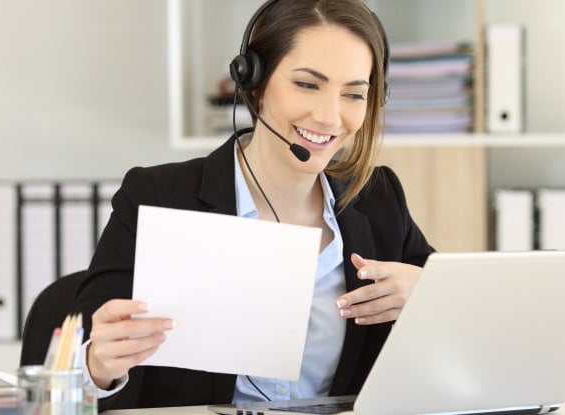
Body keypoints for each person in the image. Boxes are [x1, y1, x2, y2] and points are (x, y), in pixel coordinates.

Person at [71, 0, 434, 411]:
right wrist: (99, 365)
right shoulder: (157, 195)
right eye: (307, 84)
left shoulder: (379, 198)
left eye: (353, 93)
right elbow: (73, 367)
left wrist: (429, 299)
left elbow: (458, 341)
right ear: (253, 81)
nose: (331, 117)